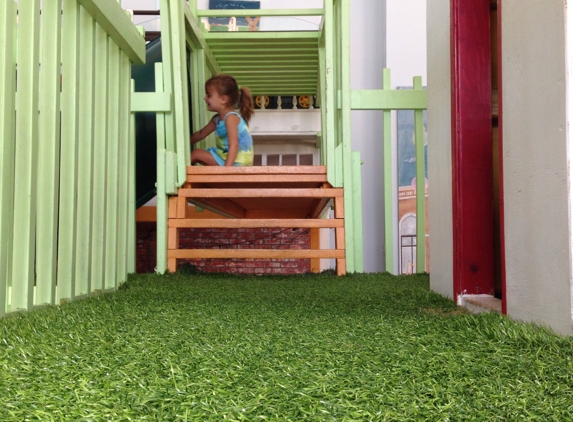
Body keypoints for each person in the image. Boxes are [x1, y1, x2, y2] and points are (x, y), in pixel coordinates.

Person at [190, 74, 254, 166]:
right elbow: (201, 134)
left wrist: (225, 172)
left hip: (237, 163)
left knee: (196, 154)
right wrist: (184, 142)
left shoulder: (231, 118)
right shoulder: (216, 119)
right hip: (227, 158)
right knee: (197, 154)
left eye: (209, 95)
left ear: (223, 99)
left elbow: (234, 146)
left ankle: (180, 179)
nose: (205, 98)